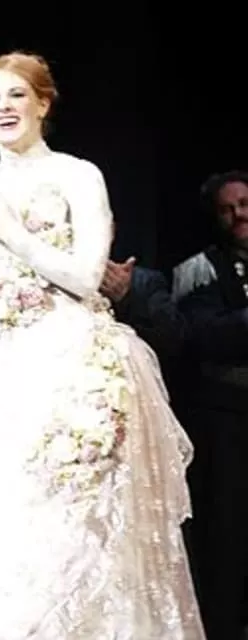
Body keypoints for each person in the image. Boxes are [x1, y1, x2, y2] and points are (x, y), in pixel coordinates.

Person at [0, 52, 205, 639]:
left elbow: (87, 277)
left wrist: (11, 232)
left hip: (72, 363)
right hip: (3, 375)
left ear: (42, 103)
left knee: (81, 526)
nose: (3, 108)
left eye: (16, 95)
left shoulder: (77, 175)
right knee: (7, 527)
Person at [172, 170, 248, 640]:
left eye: (244, 204)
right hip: (228, 422)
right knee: (227, 538)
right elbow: (202, 337)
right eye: (227, 209)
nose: (238, 215)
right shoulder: (198, 271)